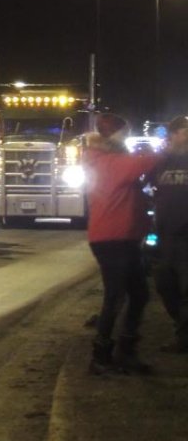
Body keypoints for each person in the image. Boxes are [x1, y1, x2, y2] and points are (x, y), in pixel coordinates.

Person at [83, 113, 163, 374]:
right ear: (114, 135)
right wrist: (170, 149)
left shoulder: (107, 160)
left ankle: (124, 350)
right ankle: (101, 355)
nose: (127, 138)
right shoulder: (106, 162)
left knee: (138, 294)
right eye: (124, 133)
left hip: (123, 238)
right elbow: (144, 163)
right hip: (112, 238)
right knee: (116, 296)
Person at [152, 115, 188, 353]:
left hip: (187, 235)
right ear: (173, 135)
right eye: (185, 132)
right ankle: (181, 327)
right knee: (165, 285)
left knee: (186, 289)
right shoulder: (161, 162)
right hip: (165, 235)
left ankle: (183, 338)